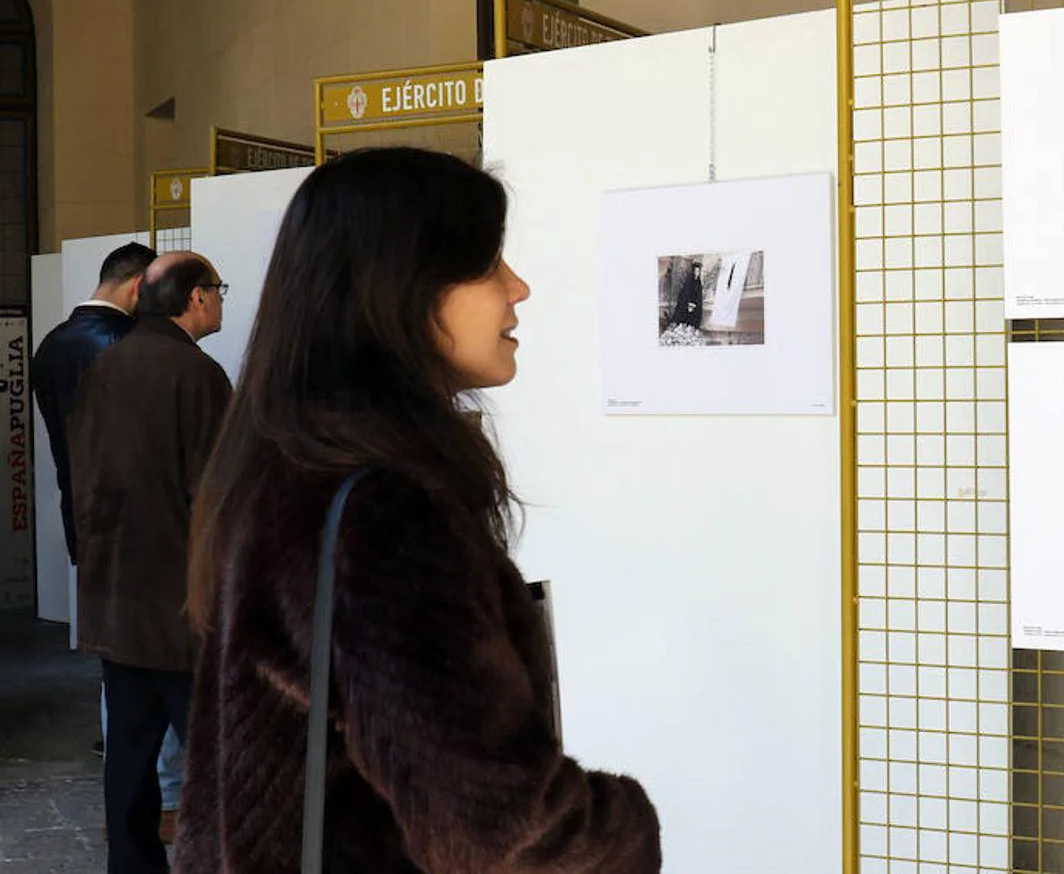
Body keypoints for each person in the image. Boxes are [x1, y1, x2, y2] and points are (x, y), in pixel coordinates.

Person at [175, 147, 661, 872]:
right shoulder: (384, 504)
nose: (517, 288)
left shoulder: (289, 458)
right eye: (487, 263)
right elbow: (501, 832)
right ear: (400, 284)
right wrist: (623, 829)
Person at [67, 250, 231, 874]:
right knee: (218, 762)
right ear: (194, 298)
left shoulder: (105, 368)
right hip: (183, 607)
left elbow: (83, 478)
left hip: (117, 599)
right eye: (216, 289)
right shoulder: (197, 376)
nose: (219, 299)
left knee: (129, 758)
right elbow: (214, 495)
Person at [30, 241, 185, 837]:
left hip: (89, 521)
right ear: (139, 286)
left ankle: (146, 797)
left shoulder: (49, 347)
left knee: (120, 663)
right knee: (161, 658)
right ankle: (166, 797)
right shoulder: (121, 349)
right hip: (145, 527)